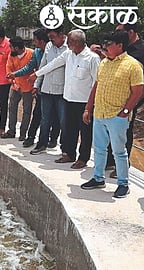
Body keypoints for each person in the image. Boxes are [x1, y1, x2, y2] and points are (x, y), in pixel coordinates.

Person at [81, 30, 143, 198]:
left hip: (117, 117)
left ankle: (123, 183)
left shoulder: (133, 65)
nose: (105, 47)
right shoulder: (104, 63)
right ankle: (98, 177)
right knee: (99, 149)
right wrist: (88, 108)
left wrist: (125, 111)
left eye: (109, 44)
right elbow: (96, 86)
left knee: (119, 151)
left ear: (120, 46)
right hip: (100, 114)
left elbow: (138, 91)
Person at [34, 29, 100, 169]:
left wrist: (90, 106)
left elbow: (97, 83)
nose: (67, 43)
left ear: (76, 42)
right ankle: (69, 154)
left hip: (84, 102)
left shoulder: (92, 58)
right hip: (68, 99)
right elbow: (53, 64)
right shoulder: (68, 54)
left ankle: (83, 158)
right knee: (69, 129)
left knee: (85, 132)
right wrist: (37, 75)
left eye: (69, 41)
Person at [7, 28, 59, 148]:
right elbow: (31, 67)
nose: (34, 43)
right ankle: (31, 137)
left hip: (56, 88)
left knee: (55, 115)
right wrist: (15, 74)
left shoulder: (54, 51)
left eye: (35, 40)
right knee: (38, 114)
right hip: (42, 87)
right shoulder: (37, 52)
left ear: (41, 41)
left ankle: (53, 138)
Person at [105, 24, 144, 178]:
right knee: (110, 128)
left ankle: (122, 165)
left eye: (120, 32)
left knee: (125, 130)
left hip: (133, 97)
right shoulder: (123, 48)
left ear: (131, 32)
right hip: (115, 95)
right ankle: (110, 160)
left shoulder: (140, 51)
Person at [30, 26, 68, 155]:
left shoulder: (69, 48)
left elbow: (56, 65)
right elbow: (43, 66)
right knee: (45, 119)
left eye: (53, 37)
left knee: (63, 120)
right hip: (46, 89)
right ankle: (42, 144)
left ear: (61, 34)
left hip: (62, 91)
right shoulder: (48, 47)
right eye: (49, 38)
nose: (51, 40)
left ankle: (65, 149)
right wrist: (37, 84)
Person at [1, 37, 34, 140]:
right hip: (15, 85)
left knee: (27, 110)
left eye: (11, 47)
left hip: (28, 87)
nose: (9, 49)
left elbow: (33, 69)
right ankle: (11, 131)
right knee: (12, 108)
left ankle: (23, 133)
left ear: (16, 48)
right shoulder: (12, 55)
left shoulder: (31, 54)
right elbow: (8, 68)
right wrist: (12, 81)